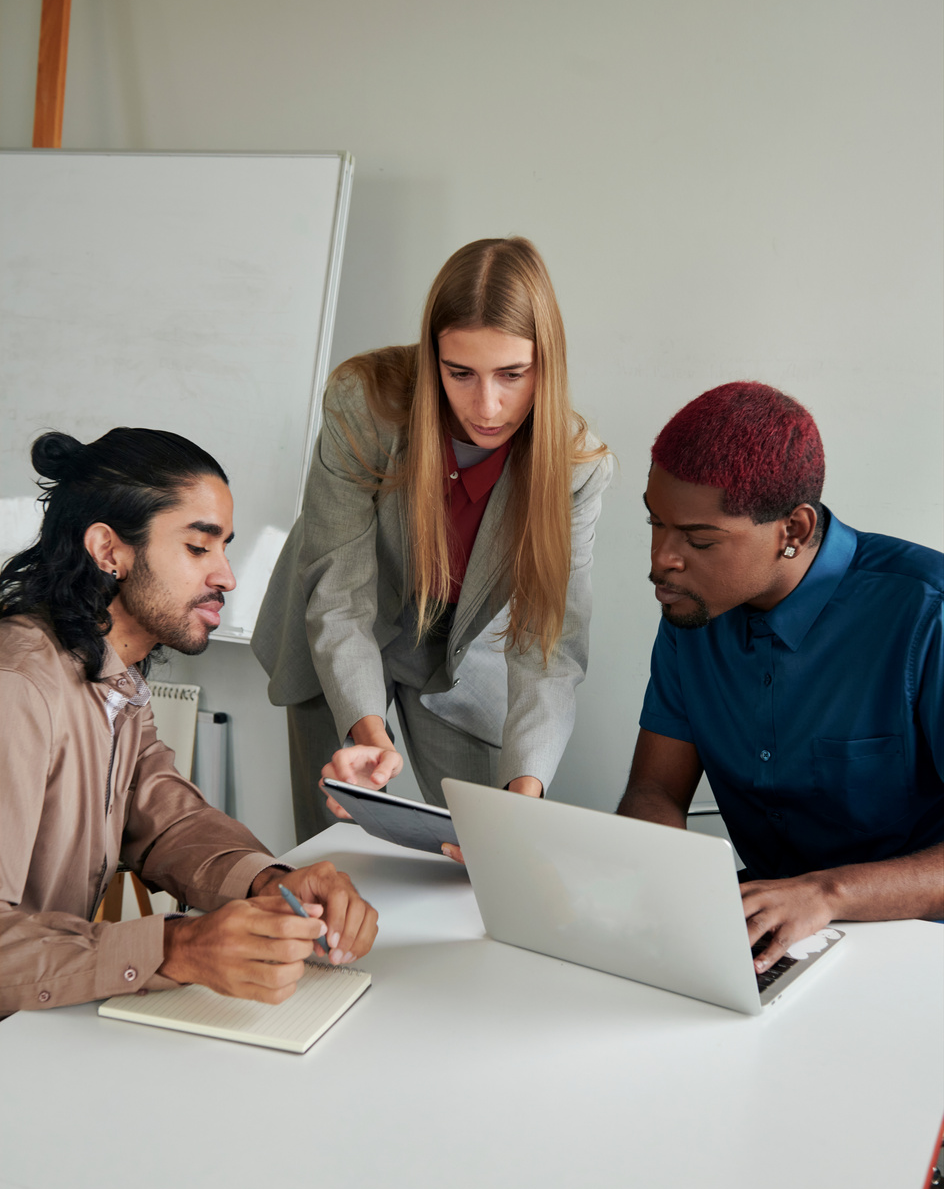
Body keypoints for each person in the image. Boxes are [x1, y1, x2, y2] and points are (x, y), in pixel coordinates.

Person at [0, 428, 378, 1016]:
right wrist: (175, 947)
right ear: (109, 551)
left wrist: (272, 882)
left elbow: (167, 821)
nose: (227, 577)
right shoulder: (16, 687)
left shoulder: (112, 677)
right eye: (199, 548)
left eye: (224, 547)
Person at [253, 236, 612, 848]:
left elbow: (548, 650)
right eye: (460, 373)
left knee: (487, 852)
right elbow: (339, 595)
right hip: (340, 632)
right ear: (431, 357)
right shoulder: (364, 406)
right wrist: (369, 734)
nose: (488, 405)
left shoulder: (577, 469)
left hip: (461, 657)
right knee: (331, 858)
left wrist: (523, 797)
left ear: (545, 364)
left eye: (512, 374)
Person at [618, 382, 943, 972]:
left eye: (698, 539)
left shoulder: (927, 613)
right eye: (655, 523)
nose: (661, 559)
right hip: (763, 937)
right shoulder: (693, 606)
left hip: (916, 947)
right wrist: (661, 886)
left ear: (792, 530)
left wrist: (825, 893)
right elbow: (656, 792)